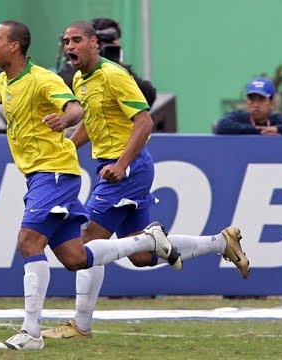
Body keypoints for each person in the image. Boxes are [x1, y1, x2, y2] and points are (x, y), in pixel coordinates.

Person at [0, 20, 183, 351]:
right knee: (76, 257)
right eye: (65, 41)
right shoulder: (7, 82)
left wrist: (65, 121)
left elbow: (75, 108)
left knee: (28, 242)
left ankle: (31, 332)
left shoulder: (43, 79)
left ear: (15, 46)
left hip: (53, 173)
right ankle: (145, 241)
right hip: (43, 174)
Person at [41, 20, 250, 340]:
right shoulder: (81, 79)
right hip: (117, 168)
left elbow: (144, 122)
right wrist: (68, 146)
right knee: (141, 257)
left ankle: (80, 325)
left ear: (95, 43)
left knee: (86, 246)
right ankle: (221, 242)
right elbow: (93, 123)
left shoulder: (114, 75)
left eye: (77, 40)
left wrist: (122, 164)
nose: (70, 46)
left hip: (126, 169)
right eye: (66, 41)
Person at [58, 17, 157, 107]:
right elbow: (62, 96)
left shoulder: (119, 71)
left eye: (111, 42)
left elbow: (148, 96)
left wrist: (117, 68)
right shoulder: (74, 72)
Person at [214, 77, 282, 135]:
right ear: (247, 103)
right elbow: (221, 126)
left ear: (272, 104)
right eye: (252, 99)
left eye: (261, 99)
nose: (256, 105)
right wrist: (260, 131)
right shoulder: (239, 117)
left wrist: (277, 129)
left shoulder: (278, 119)